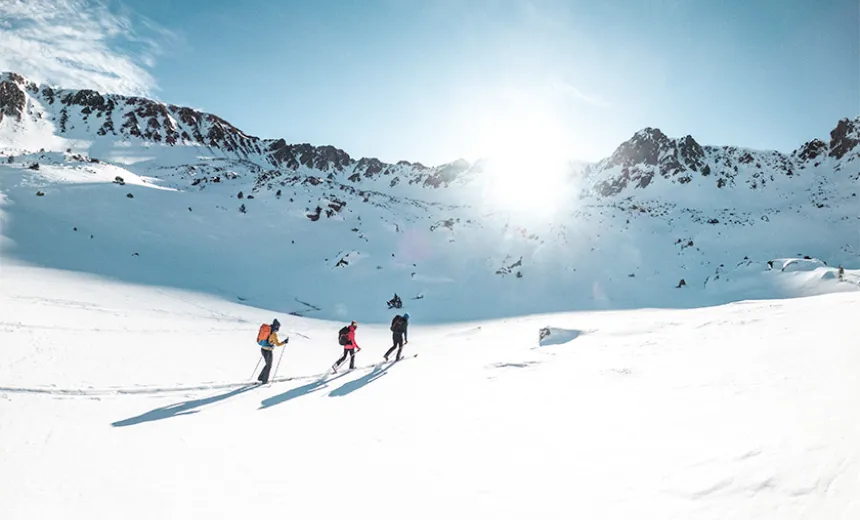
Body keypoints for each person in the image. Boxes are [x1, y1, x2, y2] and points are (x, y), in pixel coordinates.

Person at [257, 318, 288, 384]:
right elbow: (277, 344)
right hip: (268, 351)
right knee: (269, 366)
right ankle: (264, 380)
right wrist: (284, 342)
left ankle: (261, 377)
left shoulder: (268, 331)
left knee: (267, 364)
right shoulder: (273, 334)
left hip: (263, 349)